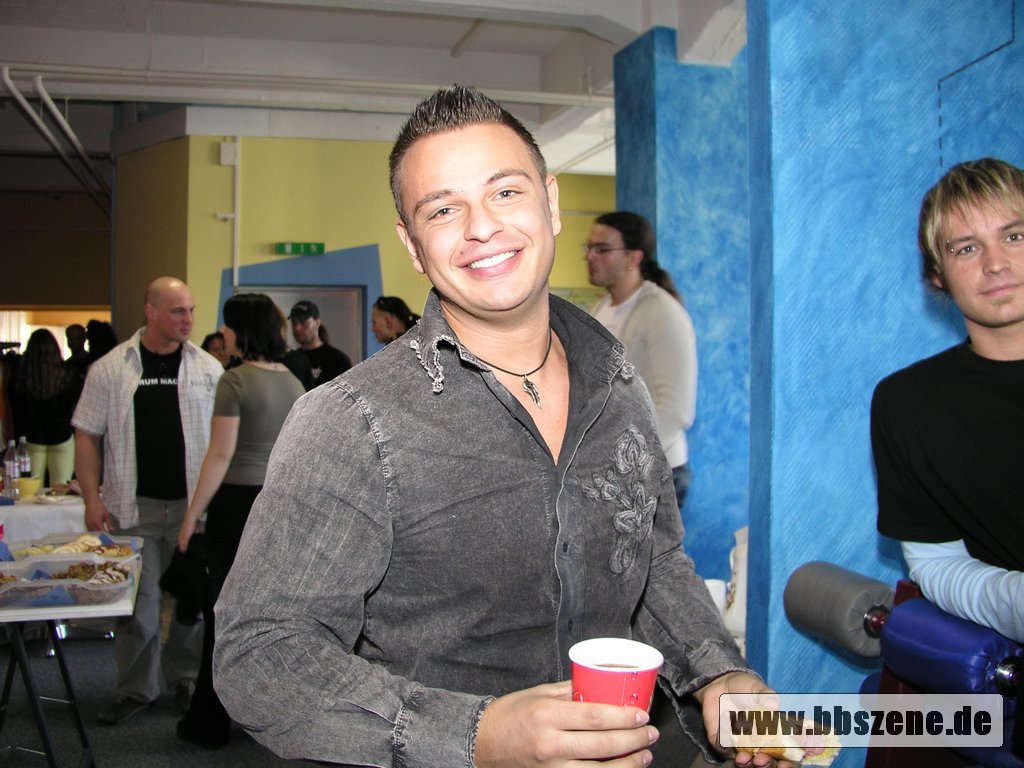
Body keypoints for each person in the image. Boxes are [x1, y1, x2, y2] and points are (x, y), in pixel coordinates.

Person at [215, 85, 785, 768]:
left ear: (550, 202)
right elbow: (261, 654)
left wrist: (719, 671)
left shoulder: (618, 385)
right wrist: (477, 735)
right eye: (443, 209)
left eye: (505, 191)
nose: (482, 227)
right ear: (413, 245)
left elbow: (653, 559)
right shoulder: (351, 422)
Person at [873, 157, 1024, 643]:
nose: (995, 264)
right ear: (938, 274)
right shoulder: (908, 403)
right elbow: (936, 564)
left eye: (1014, 236)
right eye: (967, 248)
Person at [72, 276, 223, 725]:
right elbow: (86, 436)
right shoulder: (110, 369)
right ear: (151, 312)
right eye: (178, 311)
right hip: (133, 507)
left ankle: (185, 679)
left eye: (191, 310)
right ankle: (135, 689)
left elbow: (222, 443)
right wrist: (91, 498)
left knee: (192, 604)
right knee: (138, 608)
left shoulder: (207, 369)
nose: (188, 320)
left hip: (191, 511)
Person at [176, 293, 305, 748]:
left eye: (227, 326)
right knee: (269, 618)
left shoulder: (234, 381)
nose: (223, 334)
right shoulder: (293, 382)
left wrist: (192, 516)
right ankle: (267, 718)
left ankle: (209, 722)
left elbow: (220, 455)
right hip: (278, 507)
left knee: (223, 616)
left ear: (242, 331)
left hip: (235, 510)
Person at [586, 211, 699, 513]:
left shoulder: (661, 311)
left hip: (655, 472)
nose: (590, 256)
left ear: (633, 258)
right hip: (617, 471)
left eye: (602, 249)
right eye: (589, 247)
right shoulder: (601, 308)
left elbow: (676, 411)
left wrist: (628, 462)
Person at [9, 329, 84, 486]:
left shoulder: (21, 377)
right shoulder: (69, 375)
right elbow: (78, 406)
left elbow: (17, 411)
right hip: (62, 435)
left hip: (32, 436)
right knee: (61, 488)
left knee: (32, 488)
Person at [287, 300, 352, 387]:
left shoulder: (338, 360)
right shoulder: (291, 360)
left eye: (303, 322)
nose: (297, 328)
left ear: (317, 323)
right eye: (294, 322)